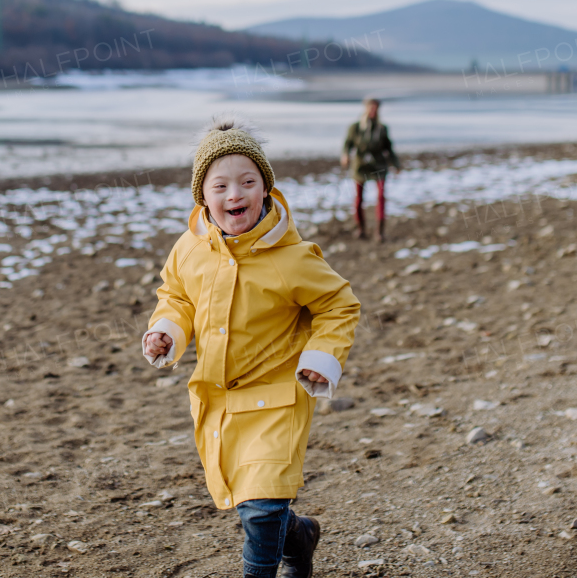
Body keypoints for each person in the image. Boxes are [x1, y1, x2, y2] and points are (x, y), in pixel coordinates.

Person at [142, 116, 360, 578]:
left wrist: (322, 357)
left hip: (280, 394)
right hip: (220, 396)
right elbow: (177, 296)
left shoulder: (292, 257)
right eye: (219, 186)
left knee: (262, 506)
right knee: (253, 505)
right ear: (203, 196)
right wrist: (168, 329)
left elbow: (339, 306)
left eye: (247, 182)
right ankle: (301, 538)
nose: (234, 195)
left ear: (266, 189)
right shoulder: (189, 249)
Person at [340, 97, 401, 241]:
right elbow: (347, 144)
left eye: (376, 108)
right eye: (371, 107)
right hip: (360, 166)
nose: (373, 110)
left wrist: (396, 164)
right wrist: (345, 155)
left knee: (380, 197)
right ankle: (361, 229)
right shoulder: (355, 127)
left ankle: (379, 232)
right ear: (365, 108)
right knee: (359, 198)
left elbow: (389, 148)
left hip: (379, 166)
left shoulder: (382, 128)